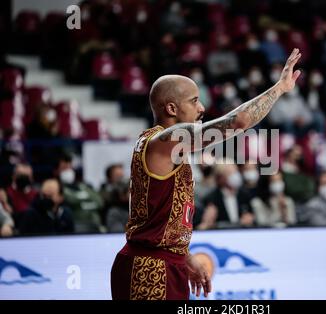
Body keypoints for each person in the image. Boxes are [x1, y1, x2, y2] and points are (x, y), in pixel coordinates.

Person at [110, 48, 302, 300]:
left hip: (165, 259)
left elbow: (156, 217)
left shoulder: (169, 146)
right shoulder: (165, 141)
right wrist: (278, 88)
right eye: (193, 101)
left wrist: (184, 256)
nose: (201, 108)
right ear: (171, 108)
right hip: (149, 267)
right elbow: (238, 122)